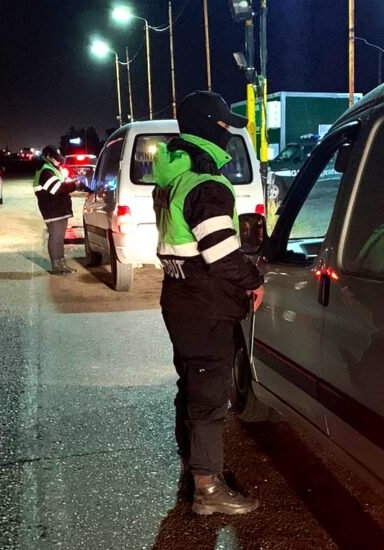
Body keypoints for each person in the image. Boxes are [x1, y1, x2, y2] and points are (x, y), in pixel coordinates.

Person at [152, 91, 265, 516]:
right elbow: (221, 253)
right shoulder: (207, 184)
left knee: (191, 385)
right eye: (226, 125)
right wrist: (254, 281)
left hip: (178, 298)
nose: (231, 132)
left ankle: (194, 469)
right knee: (209, 395)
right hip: (205, 305)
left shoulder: (173, 176)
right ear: (212, 128)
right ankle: (207, 488)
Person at [34, 145, 80, 275]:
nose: (59, 162)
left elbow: (62, 185)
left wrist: (72, 183)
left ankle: (61, 264)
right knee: (55, 237)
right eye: (56, 159)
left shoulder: (52, 170)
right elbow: (57, 189)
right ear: (48, 157)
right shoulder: (45, 171)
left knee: (59, 238)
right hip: (52, 211)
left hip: (59, 210)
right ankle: (56, 265)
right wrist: (74, 185)